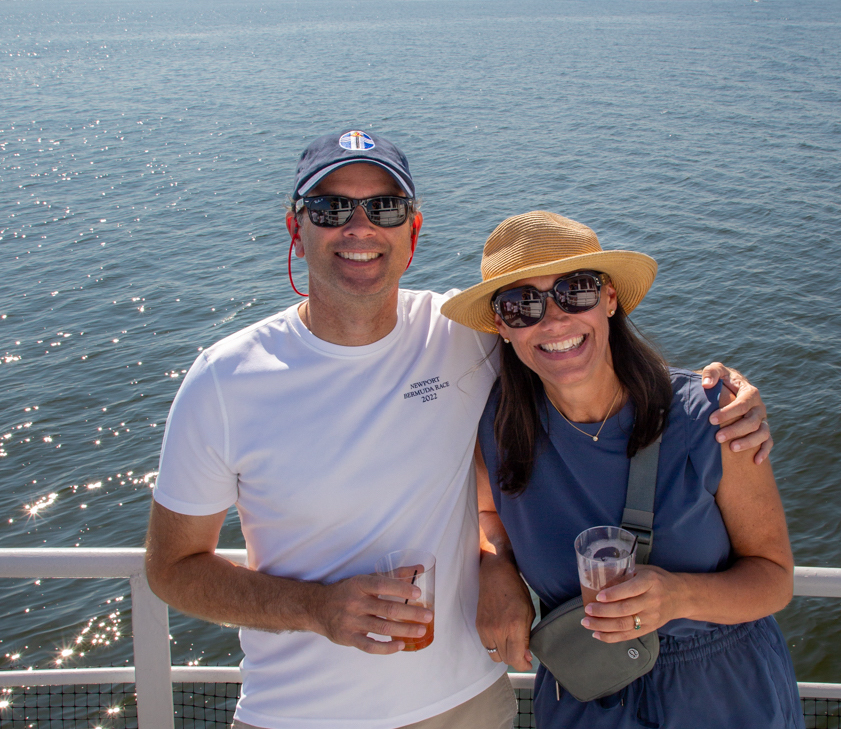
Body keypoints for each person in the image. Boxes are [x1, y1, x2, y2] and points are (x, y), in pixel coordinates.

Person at [144, 131, 773, 729]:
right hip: (297, 712)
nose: (359, 227)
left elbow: (577, 356)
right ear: (296, 227)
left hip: (467, 704)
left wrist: (719, 392)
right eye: (331, 208)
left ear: (411, 232)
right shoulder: (224, 379)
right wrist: (316, 609)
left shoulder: (461, 337)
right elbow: (172, 569)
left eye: (384, 208)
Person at [441, 211, 803, 729]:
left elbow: (775, 579)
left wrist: (679, 595)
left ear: (610, 298)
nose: (554, 319)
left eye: (576, 290)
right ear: (501, 324)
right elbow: (485, 510)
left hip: (723, 694)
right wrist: (496, 565)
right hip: (587, 693)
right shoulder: (497, 430)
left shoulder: (712, 418)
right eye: (522, 304)